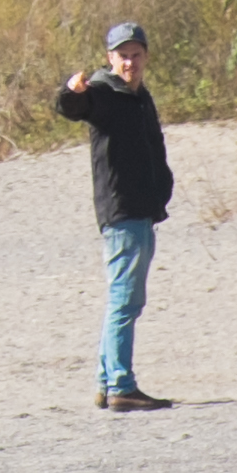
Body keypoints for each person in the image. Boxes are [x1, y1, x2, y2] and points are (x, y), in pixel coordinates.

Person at [53, 23, 174, 413]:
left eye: (136, 54)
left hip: (142, 209)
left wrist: (162, 188)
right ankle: (121, 383)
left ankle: (107, 382)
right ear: (110, 58)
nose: (130, 62)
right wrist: (70, 93)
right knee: (125, 299)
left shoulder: (141, 97)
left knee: (125, 299)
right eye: (122, 55)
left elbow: (153, 147)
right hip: (122, 210)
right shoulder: (103, 91)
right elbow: (74, 107)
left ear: (146, 57)